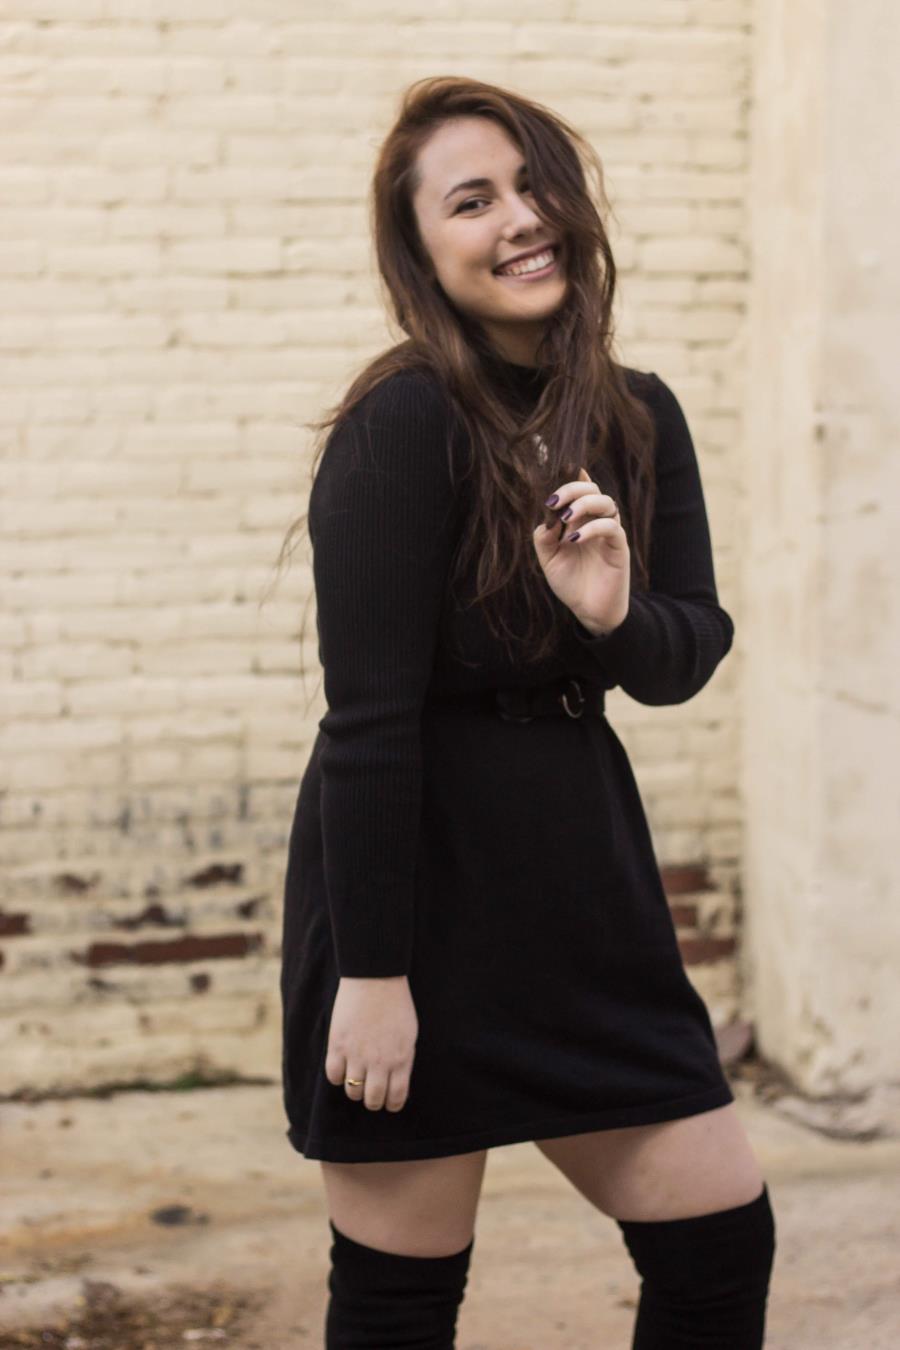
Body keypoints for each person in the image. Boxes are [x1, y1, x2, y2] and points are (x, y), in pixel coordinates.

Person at [277, 75, 777, 1348]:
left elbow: (684, 654)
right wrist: (376, 978)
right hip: (418, 893)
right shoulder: (402, 424)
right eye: (471, 199)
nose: (519, 217)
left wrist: (612, 614)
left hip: (578, 884)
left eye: (533, 181)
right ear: (423, 252)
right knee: (401, 1299)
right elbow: (370, 724)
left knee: (719, 1242)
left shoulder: (637, 416)